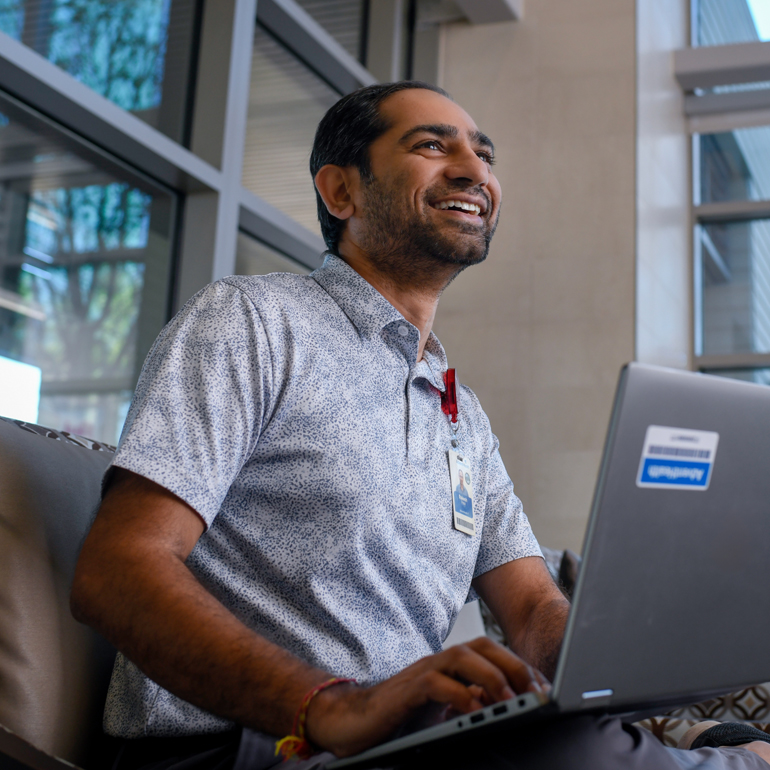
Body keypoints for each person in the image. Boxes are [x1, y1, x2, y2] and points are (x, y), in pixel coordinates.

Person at [70, 82, 770, 770]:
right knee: (550, 751)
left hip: (401, 744)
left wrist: (620, 657)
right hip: (246, 746)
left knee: (549, 733)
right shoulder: (251, 321)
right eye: (433, 145)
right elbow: (116, 570)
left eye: (484, 154)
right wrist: (332, 705)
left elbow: (528, 611)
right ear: (341, 192)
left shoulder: (459, 413)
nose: (474, 171)